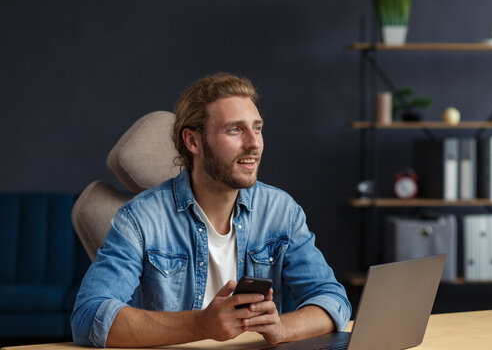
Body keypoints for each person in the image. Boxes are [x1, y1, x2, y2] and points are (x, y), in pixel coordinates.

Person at [71, 73, 351, 347]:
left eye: (257, 127)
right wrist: (199, 326)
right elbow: (88, 316)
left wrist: (282, 328)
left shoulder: (280, 211)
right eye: (235, 129)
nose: (254, 143)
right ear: (193, 141)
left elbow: (332, 300)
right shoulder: (140, 219)